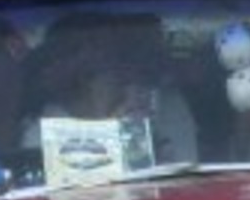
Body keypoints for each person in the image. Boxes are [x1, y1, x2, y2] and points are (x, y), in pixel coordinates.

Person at [18, 14, 198, 166]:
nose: (124, 77)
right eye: (97, 70)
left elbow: (184, 179)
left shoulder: (164, 110)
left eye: (117, 57)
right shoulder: (43, 134)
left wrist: (140, 132)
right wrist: (112, 134)